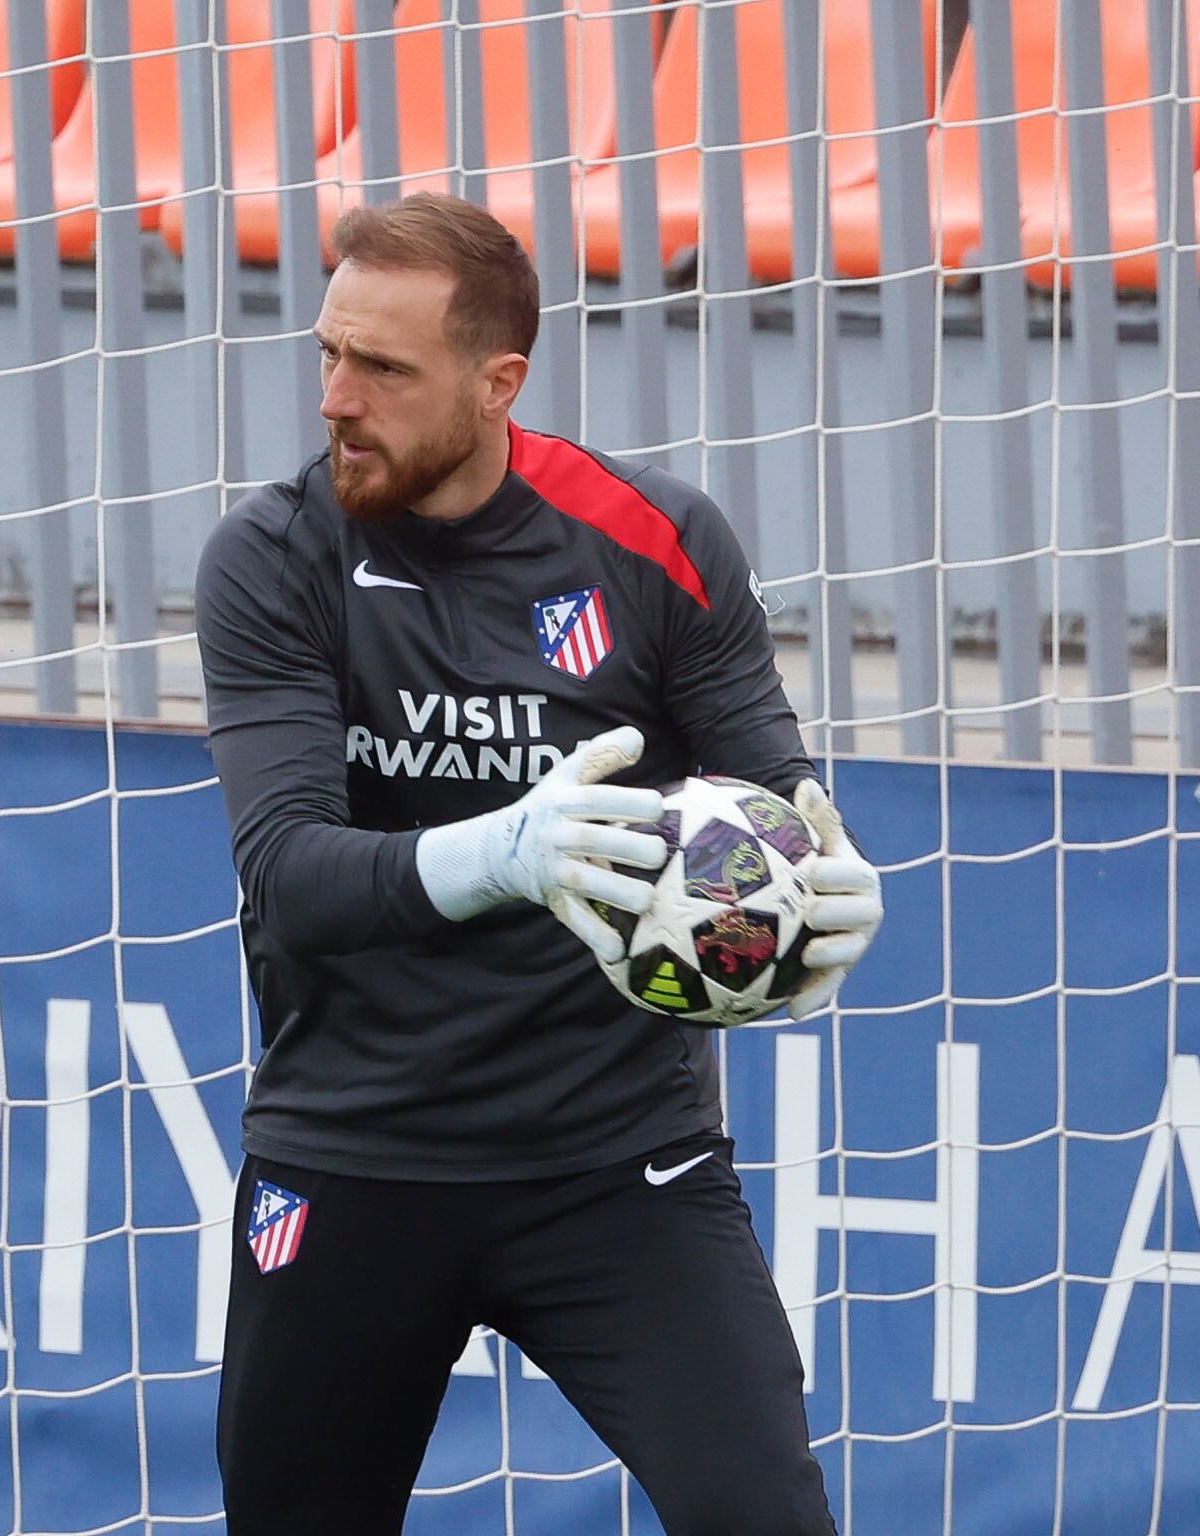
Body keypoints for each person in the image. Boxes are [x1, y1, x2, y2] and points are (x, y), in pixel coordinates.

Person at [194, 191, 883, 1535]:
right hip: (356, 1151)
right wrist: (512, 851)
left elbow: (776, 797)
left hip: (618, 1164)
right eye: (328, 353)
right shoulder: (272, 558)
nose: (337, 399)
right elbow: (290, 878)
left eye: (384, 368)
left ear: (498, 383)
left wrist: (827, 890)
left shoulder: (655, 539)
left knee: (765, 1520)